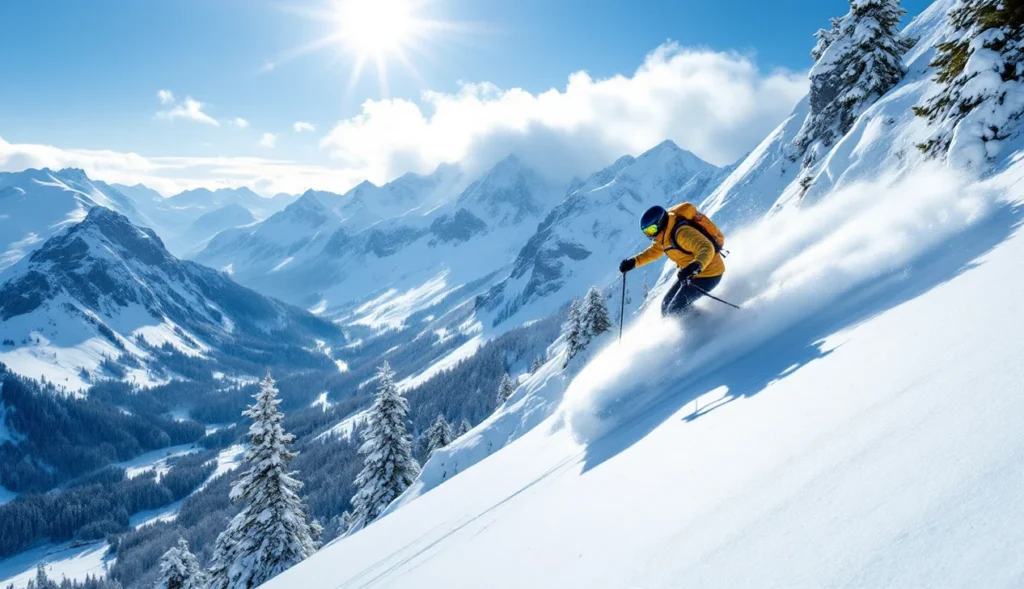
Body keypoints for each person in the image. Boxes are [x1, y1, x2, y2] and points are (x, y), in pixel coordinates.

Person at [619, 203, 726, 316]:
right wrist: (634, 262)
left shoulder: (682, 233)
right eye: (647, 232)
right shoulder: (665, 236)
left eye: (652, 229)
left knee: (675, 310)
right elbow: (654, 251)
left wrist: (696, 265)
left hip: (709, 274)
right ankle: (700, 320)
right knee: (666, 306)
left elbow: (706, 247)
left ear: (660, 223)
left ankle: (707, 326)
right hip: (690, 274)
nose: (651, 235)